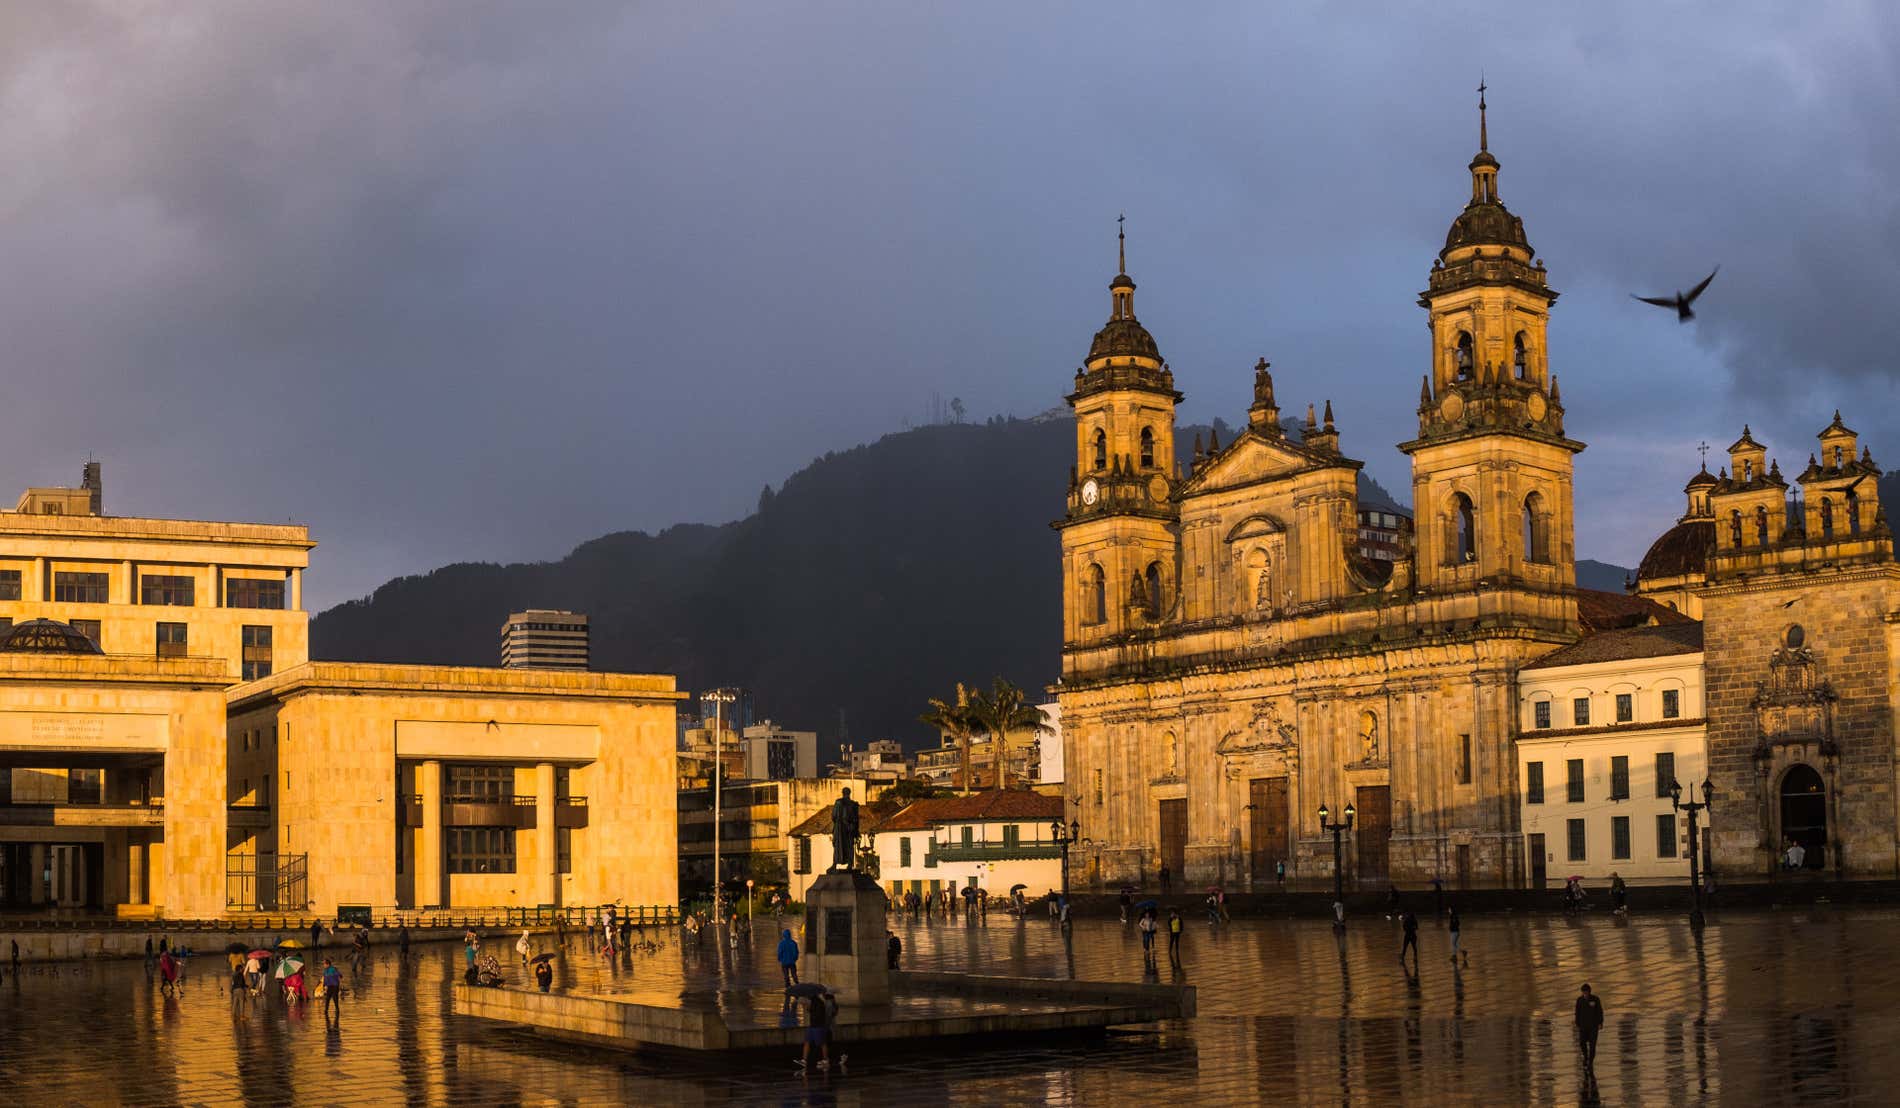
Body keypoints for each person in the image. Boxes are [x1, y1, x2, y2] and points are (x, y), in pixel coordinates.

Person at [796, 988, 845, 1072]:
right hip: (815, 1026)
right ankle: (804, 1060)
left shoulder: (821, 1003)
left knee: (823, 1043)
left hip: (818, 1026)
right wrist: (807, 1007)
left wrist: (809, 1008)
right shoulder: (819, 1002)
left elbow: (821, 1015)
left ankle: (828, 1059)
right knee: (808, 1042)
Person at [1575, 983, 1604, 1069]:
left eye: (1586, 992)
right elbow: (1577, 1012)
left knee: (1592, 1045)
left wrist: (1600, 1022)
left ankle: (1590, 1061)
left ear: (1589, 992)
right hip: (1583, 1026)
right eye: (1584, 992)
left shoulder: (1595, 999)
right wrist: (1577, 1023)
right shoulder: (1579, 1000)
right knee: (1582, 1042)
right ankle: (1585, 1056)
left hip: (1593, 1026)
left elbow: (1599, 1011)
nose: (1585, 994)